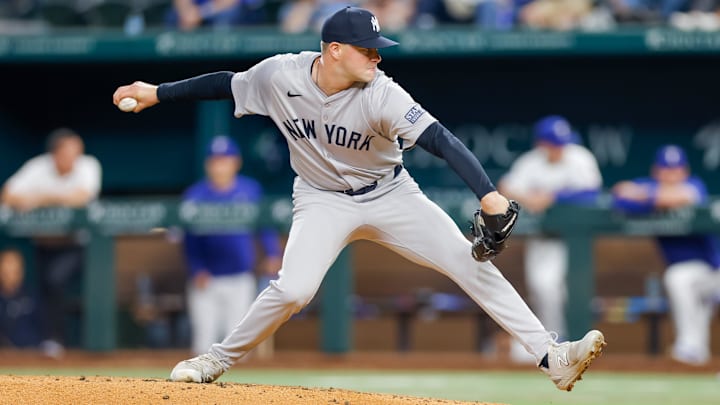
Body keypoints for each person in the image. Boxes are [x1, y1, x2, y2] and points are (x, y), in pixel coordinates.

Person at [113, 6, 605, 391]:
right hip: (321, 199)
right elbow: (225, 84)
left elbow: (441, 140)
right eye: (367, 49)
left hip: (391, 193)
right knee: (292, 291)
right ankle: (215, 360)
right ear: (332, 50)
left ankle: (551, 357)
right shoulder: (280, 75)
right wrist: (158, 91)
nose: (377, 56)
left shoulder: (382, 93)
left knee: (468, 261)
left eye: (377, 48)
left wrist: (490, 195)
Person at [498, 115, 603, 363]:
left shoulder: (579, 157)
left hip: (576, 240)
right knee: (542, 286)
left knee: (566, 290)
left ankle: (566, 342)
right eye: (553, 143)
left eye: (561, 143)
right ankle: (549, 344)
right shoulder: (531, 162)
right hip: (543, 237)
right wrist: (528, 197)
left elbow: (592, 193)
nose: (559, 148)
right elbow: (505, 187)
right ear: (541, 144)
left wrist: (553, 196)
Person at [612, 144, 720, 366]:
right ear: (656, 171)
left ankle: (691, 348)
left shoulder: (695, 185)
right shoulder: (651, 187)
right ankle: (692, 354)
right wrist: (651, 196)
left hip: (713, 268)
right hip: (698, 275)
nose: (671, 175)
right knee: (682, 282)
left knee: (679, 279)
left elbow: (682, 197)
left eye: (676, 169)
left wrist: (646, 197)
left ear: (685, 171)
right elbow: (620, 193)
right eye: (666, 169)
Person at [0, 127, 102, 352]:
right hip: (43, 244)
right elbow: (7, 194)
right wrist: (49, 199)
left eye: (77, 152)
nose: (74, 158)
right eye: (68, 153)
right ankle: (49, 341)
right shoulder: (38, 167)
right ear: (55, 154)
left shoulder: (88, 164)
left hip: (79, 245)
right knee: (41, 285)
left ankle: (62, 339)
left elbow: (82, 196)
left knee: (55, 279)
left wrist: (40, 198)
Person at [182, 135, 282, 356]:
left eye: (225, 159)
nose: (220, 166)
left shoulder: (250, 190)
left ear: (236, 162)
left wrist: (273, 253)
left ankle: (234, 392)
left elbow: (264, 225)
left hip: (240, 276)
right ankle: (197, 391)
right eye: (215, 160)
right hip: (206, 280)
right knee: (203, 341)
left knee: (237, 344)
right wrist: (196, 268)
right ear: (208, 164)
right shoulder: (195, 195)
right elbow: (188, 240)